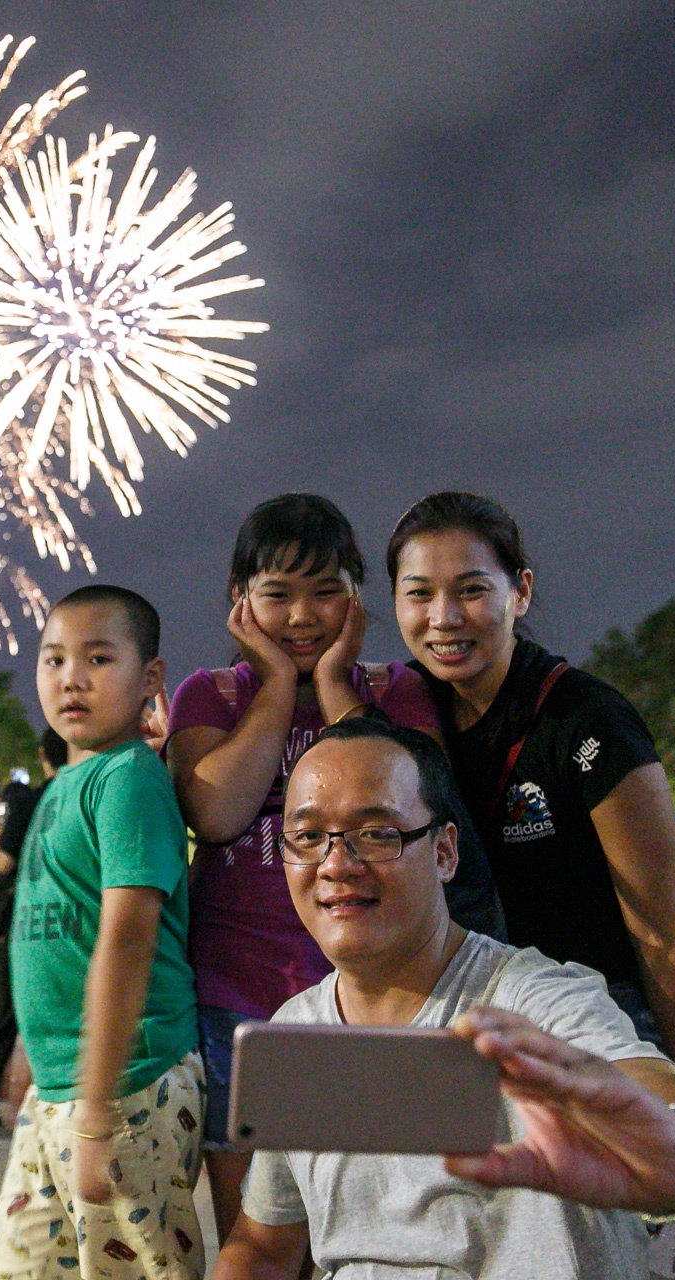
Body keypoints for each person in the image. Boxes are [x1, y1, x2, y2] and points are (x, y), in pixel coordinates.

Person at [213, 718, 675, 1280]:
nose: (336, 864)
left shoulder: (531, 1003)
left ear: (444, 852)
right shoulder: (297, 1033)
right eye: (309, 837)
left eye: (377, 833)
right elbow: (264, 1245)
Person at [167, 492, 504, 1237]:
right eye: (277, 594)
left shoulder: (395, 691)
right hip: (237, 992)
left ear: (356, 594)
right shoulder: (211, 695)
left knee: (369, 1213)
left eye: (325, 591)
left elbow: (413, 790)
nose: (301, 617)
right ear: (239, 599)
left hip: (375, 996)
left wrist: (331, 686)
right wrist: (275, 687)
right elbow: (218, 815)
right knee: (256, 1226)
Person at [387, 492, 675, 1096]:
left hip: (619, 998)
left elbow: (662, 936)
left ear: (521, 592)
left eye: (471, 589)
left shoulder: (589, 720)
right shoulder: (408, 707)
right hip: (501, 998)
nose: (444, 617)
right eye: (419, 593)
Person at [0, 585, 203, 1280]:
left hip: (130, 1087)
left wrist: (99, 1110)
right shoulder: (62, 787)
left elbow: (127, 940)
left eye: (99, 659)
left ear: (150, 677)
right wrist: (32, 1048)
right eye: (54, 660)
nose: (71, 678)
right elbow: (52, 938)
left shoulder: (129, 780)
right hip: (64, 1085)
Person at [0, 728, 67, 1126]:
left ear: (43, 755)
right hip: (64, 918)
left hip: (22, 918)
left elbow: (4, 864)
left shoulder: (29, 800)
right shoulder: (76, 797)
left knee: (4, 1012)